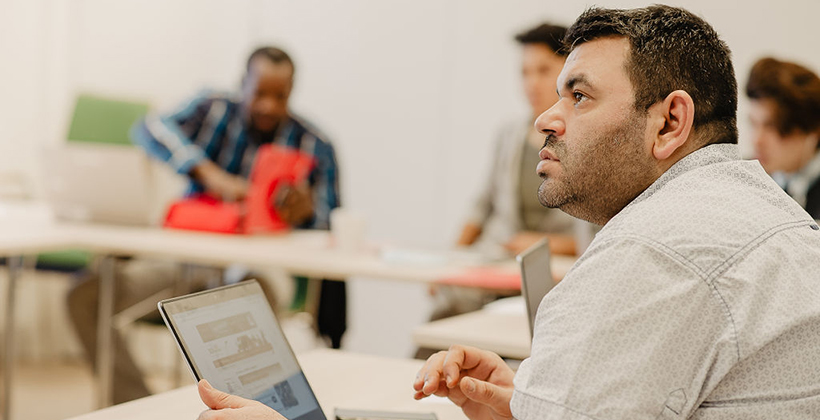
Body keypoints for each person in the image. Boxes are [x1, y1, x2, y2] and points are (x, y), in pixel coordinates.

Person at [192, 6, 820, 419]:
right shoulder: (766, 214)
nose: (547, 118)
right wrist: (531, 404)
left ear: (670, 122)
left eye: (579, 96)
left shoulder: (651, 254)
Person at [66, 46, 343, 405]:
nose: (269, 106)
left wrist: (305, 212)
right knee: (87, 296)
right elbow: (150, 127)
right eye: (260, 93)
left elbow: (332, 226)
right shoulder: (213, 109)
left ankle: (243, 411)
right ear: (241, 84)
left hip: (260, 272)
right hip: (187, 264)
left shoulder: (315, 145)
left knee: (249, 298)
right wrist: (209, 174)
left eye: (281, 96)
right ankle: (139, 402)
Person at [746, 57, 820, 218]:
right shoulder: (744, 178)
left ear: (812, 131)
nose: (756, 140)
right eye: (754, 124)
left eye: (772, 126)